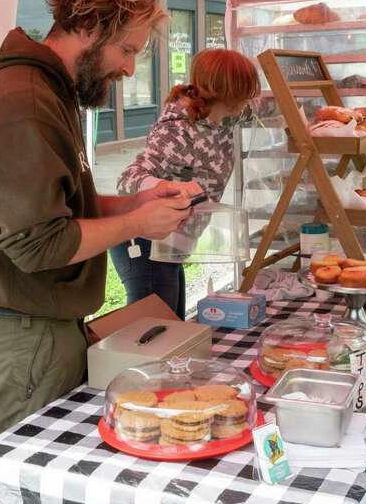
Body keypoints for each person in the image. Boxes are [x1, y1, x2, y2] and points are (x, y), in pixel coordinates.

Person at [0, 0, 197, 442]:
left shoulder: (47, 93)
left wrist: (135, 204)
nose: (129, 66)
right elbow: (39, 242)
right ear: (89, 24)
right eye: (126, 48)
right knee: (29, 488)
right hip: (21, 336)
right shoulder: (26, 103)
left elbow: (60, 206)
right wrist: (138, 225)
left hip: (31, 329)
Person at [109, 48, 259, 316]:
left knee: (173, 325)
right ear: (228, 92)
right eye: (246, 91)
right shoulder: (178, 130)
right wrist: (167, 188)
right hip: (145, 243)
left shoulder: (227, 115)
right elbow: (128, 180)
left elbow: (264, 106)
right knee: (158, 331)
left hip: (171, 244)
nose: (250, 99)